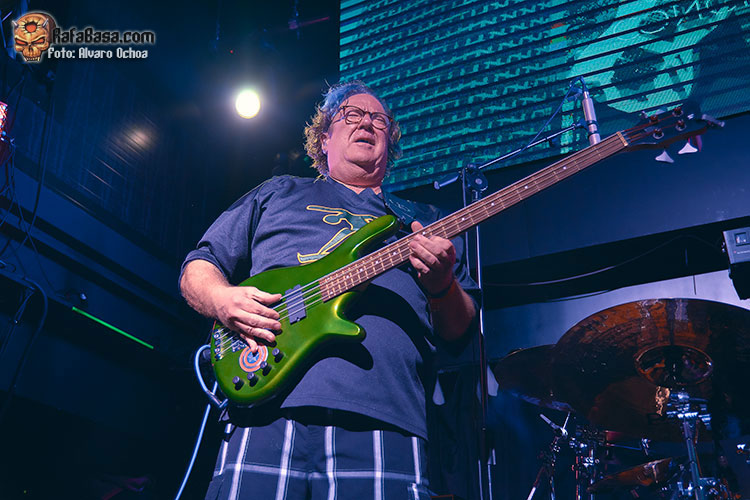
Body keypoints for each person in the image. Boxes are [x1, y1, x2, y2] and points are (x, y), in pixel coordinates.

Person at [180, 80, 478, 500]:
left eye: (379, 120)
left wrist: (442, 284)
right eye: (352, 115)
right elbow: (200, 265)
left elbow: (460, 329)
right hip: (265, 407)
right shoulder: (278, 191)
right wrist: (221, 299)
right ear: (324, 138)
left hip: (386, 416)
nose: (367, 124)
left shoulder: (423, 222)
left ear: (390, 143)